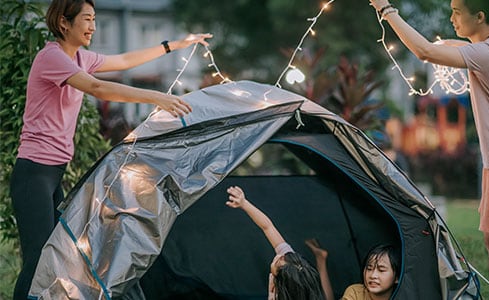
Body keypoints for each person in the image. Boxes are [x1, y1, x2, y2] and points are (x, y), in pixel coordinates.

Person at [8, 0, 212, 299]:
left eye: (94, 19)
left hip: (53, 173)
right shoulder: (51, 58)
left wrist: (175, 44)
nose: (92, 26)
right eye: (87, 19)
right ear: (64, 23)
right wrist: (157, 97)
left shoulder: (80, 57)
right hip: (34, 173)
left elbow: (126, 60)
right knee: (38, 261)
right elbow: (97, 88)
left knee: (54, 259)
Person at [367, 0, 489, 299]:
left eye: (458, 12)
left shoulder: (488, 54)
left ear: (480, 16)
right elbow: (442, 45)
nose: (451, 17)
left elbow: (426, 51)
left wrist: (387, 9)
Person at [226, 186, 326, 300]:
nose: (278, 256)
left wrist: (271, 294)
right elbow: (267, 227)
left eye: (277, 262)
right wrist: (244, 203)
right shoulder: (291, 265)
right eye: (283, 256)